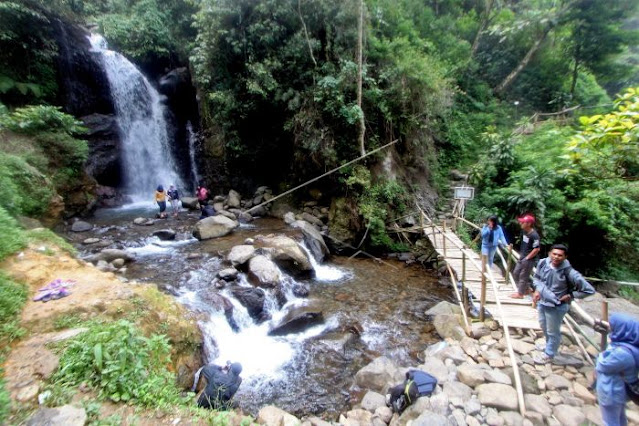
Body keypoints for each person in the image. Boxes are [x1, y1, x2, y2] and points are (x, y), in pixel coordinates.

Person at [532, 244, 595, 364]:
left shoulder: (570, 272)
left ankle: (549, 354)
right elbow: (537, 278)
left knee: (553, 331)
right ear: (550, 253)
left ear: (565, 257)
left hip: (557, 306)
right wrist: (537, 291)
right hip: (543, 302)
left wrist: (571, 296)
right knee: (543, 326)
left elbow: (589, 290)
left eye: (560, 255)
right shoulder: (543, 263)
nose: (556, 257)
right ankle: (548, 345)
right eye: (554, 254)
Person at [596, 313, 639, 426]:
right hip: (618, 391)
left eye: (613, 327)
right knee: (620, 419)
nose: (610, 328)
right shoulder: (630, 347)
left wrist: (600, 355)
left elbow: (602, 364)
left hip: (611, 391)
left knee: (610, 421)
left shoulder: (622, 353)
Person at [510, 214, 540, 299]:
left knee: (523, 276)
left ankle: (520, 294)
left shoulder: (534, 235)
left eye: (523, 222)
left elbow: (537, 249)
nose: (521, 223)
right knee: (516, 273)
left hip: (528, 259)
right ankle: (526, 289)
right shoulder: (524, 232)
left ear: (529, 224)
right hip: (522, 257)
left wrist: (527, 258)